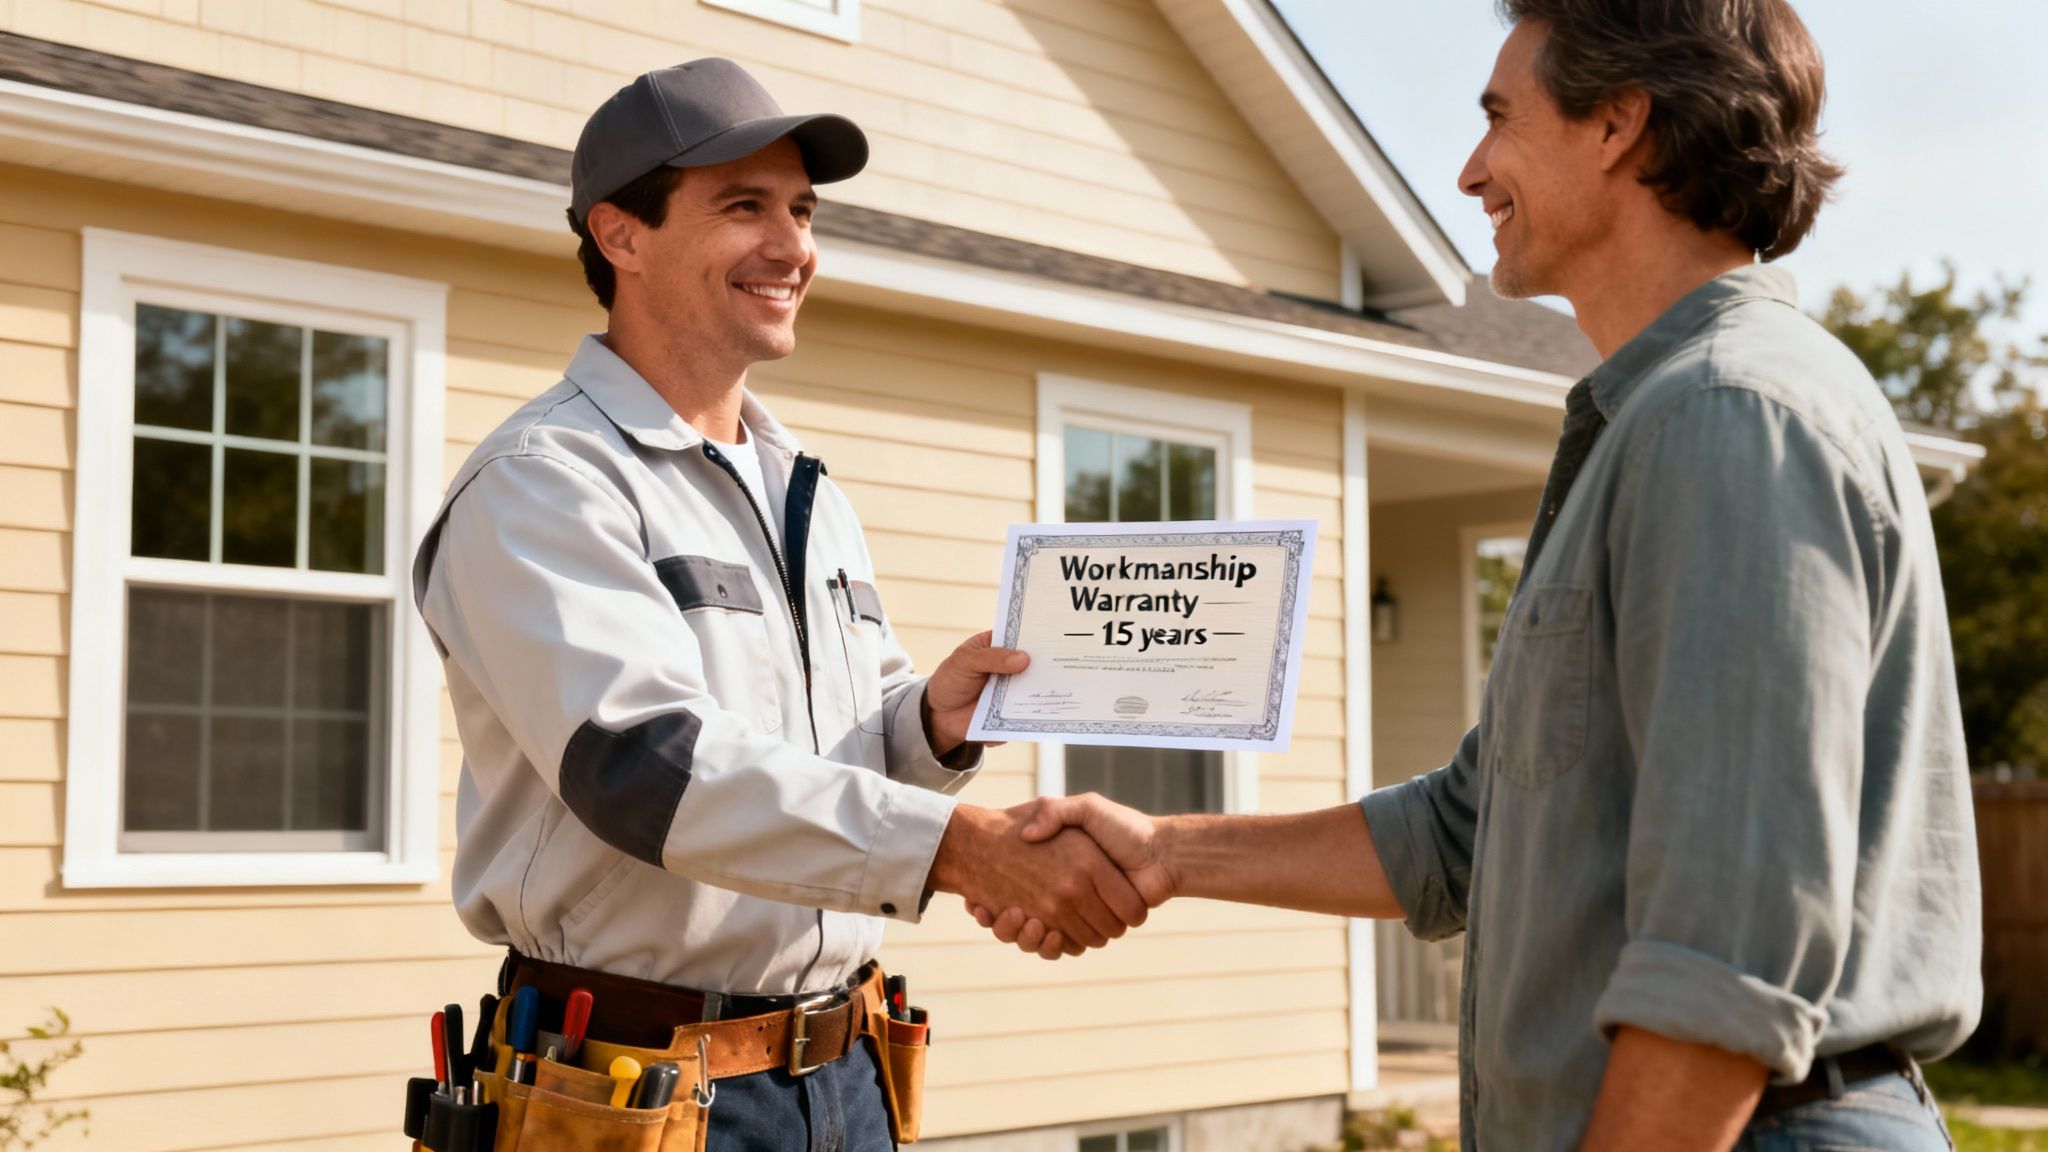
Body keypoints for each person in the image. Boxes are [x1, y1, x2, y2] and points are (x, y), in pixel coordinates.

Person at [985, 3, 1982, 1150]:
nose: (1467, 171)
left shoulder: (1726, 417)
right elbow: (1469, 829)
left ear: (1615, 124)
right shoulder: (1663, 418)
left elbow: (1729, 943)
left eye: (1500, 119)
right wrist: (1165, 854)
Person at [413, 58, 1151, 1151]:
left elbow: (824, 758)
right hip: (632, 1084)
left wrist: (927, 724)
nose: (793, 246)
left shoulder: (804, 488)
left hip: (848, 1071)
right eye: (742, 206)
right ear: (619, 234)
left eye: (801, 210)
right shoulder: (544, 482)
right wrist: (960, 847)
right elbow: (646, 770)